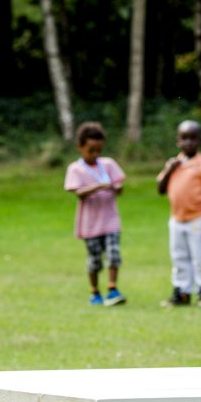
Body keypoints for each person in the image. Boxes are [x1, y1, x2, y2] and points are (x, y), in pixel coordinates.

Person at [155, 119, 201, 309]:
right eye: (184, 138)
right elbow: (160, 189)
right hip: (176, 219)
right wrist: (169, 170)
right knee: (179, 257)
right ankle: (181, 292)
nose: (188, 143)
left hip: (198, 219)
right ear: (178, 141)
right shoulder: (173, 164)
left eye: (193, 138)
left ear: (199, 141)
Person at [64, 121, 126, 306]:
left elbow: (119, 187)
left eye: (99, 150)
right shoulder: (75, 169)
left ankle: (113, 289)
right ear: (80, 146)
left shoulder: (108, 164)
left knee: (114, 254)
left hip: (110, 220)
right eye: (91, 150)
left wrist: (116, 188)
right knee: (95, 260)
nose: (95, 154)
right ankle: (95, 292)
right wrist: (99, 186)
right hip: (90, 224)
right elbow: (78, 193)